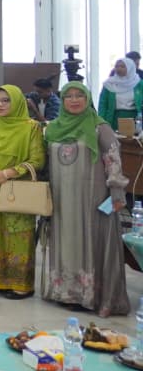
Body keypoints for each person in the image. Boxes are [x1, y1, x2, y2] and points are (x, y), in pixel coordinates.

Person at [42, 81, 131, 316]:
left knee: (91, 242)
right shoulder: (53, 129)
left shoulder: (100, 128)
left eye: (79, 95)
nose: (73, 100)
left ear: (88, 99)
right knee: (65, 241)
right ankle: (66, 292)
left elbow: (113, 162)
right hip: (61, 198)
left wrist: (116, 193)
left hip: (92, 198)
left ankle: (92, 295)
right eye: (68, 96)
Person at [0, 84, 46, 298]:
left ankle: (21, 284)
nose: (0, 105)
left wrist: (6, 173)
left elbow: (37, 160)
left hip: (15, 190)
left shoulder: (31, 128)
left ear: (17, 102)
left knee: (18, 237)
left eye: (6, 100)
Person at [97, 57, 143, 128]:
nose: (119, 69)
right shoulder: (109, 84)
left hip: (135, 118)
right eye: (116, 66)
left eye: (122, 66)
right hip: (113, 117)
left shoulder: (139, 83)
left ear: (130, 68)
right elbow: (103, 104)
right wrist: (101, 121)